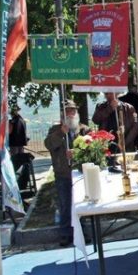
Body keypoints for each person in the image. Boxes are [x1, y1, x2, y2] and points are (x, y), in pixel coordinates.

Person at [44, 99, 86, 247]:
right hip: (63, 174)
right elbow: (48, 144)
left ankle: (82, 233)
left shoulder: (83, 129)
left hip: (80, 174)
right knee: (65, 205)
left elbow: (92, 149)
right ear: (63, 114)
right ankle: (65, 234)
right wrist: (61, 133)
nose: (71, 114)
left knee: (82, 204)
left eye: (73, 111)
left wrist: (78, 153)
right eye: (68, 111)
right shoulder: (55, 130)